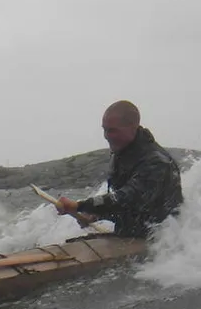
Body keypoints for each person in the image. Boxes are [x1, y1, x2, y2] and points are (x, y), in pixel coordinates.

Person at [56, 100, 183, 238]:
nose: (106, 136)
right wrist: (95, 215)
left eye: (112, 131)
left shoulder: (157, 163)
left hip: (161, 243)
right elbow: (127, 210)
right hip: (130, 237)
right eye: (104, 130)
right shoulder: (122, 154)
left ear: (132, 127)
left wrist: (80, 206)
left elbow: (127, 197)